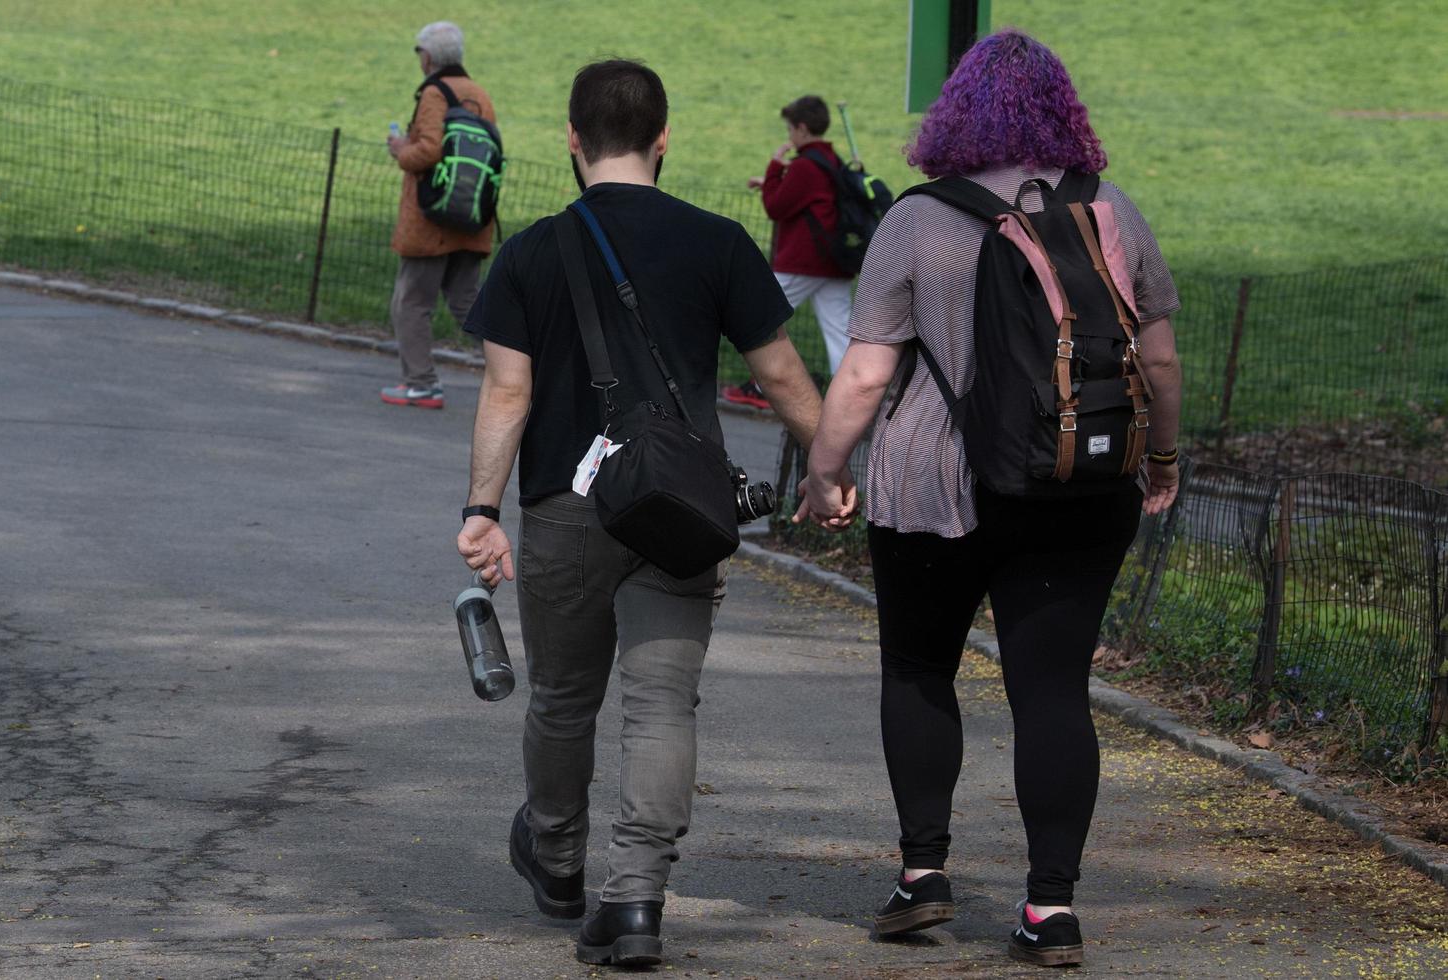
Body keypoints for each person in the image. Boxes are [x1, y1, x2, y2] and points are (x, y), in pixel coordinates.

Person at [796, 30, 1183, 968]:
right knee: (1054, 690)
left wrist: (824, 468)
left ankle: (923, 876)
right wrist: (1162, 459)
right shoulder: (1111, 209)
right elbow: (1160, 357)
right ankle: (1051, 909)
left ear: (953, 117)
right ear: (1062, 112)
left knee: (921, 667)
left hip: (937, 483)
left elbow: (863, 373)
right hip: (1082, 479)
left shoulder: (920, 220)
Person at [455, 60, 846, 969]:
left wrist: (482, 507)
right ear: (664, 139)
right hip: (679, 512)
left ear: (571, 139)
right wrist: (828, 470)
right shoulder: (715, 241)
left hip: (565, 510)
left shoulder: (530, 252)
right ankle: (634, 900)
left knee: (562, 697)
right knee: (662, 703)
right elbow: (782, 374)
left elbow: (506, 392)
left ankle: (557, 855)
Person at [381, 21, 496, 410]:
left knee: (411, 302)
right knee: (468, 304)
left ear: (427, 57)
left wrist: (401, 150)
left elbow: (429, 151)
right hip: (471, 215)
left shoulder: (434, 93)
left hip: (432, 219)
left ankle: (421, 383)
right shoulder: (478, 93)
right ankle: (519, 375)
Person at [723, 95, 853, 410]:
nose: (789, 136)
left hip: (802, 261)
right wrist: (775, 179)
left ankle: (759, 387)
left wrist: (773, 167)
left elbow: (775, 206)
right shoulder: (831, 161)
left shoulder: (806, 166)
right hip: (833, 262)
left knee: (761, 315)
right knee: (841, 334)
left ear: (802, 129)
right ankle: (850, 402)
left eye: (790, 129)